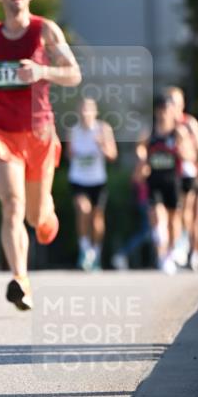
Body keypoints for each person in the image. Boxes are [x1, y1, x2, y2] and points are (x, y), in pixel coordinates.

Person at [0, 0, 81, 309]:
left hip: (39, 134)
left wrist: (41, 71)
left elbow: (74, 74)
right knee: (12, 206)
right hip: (2, 132)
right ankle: (20, 279)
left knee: (36, 217)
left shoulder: (45, 30)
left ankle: (47, 220)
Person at [136, 95, 192, 274]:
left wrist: (181, 151)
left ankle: (170, 253)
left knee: (174, 220)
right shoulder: (150, 131)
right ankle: (162, 255)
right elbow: (140, 148)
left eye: (166, 110)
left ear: (172, 111)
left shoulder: (178, 132)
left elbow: (188, 155)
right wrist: (142, 157)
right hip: (154, 181)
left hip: (173, 181)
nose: (163, 114)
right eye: (160, 110)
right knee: (158, 217)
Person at [67, 97, 118, 270]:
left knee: (96, 218)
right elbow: (69, 155)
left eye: (88, 110)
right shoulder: (73, 131)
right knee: (83, 209)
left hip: (97, 181)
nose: (85, 113)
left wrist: (102, 145)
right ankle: (84, 249)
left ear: (95, 112)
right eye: (82, 110)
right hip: (78, 180)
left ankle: (95, 252)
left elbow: (113, 155)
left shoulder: (103, 129)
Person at [164, 86, 198, 270]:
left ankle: (188, 249)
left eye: (175, 102)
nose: (172, 106)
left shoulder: (189, 122)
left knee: (187, 212)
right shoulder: (164, 125)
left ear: (181, 104)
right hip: (170, 175)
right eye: (169, 101)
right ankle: (174, 250)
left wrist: (189, 154)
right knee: (172, 214)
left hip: (188, 173)